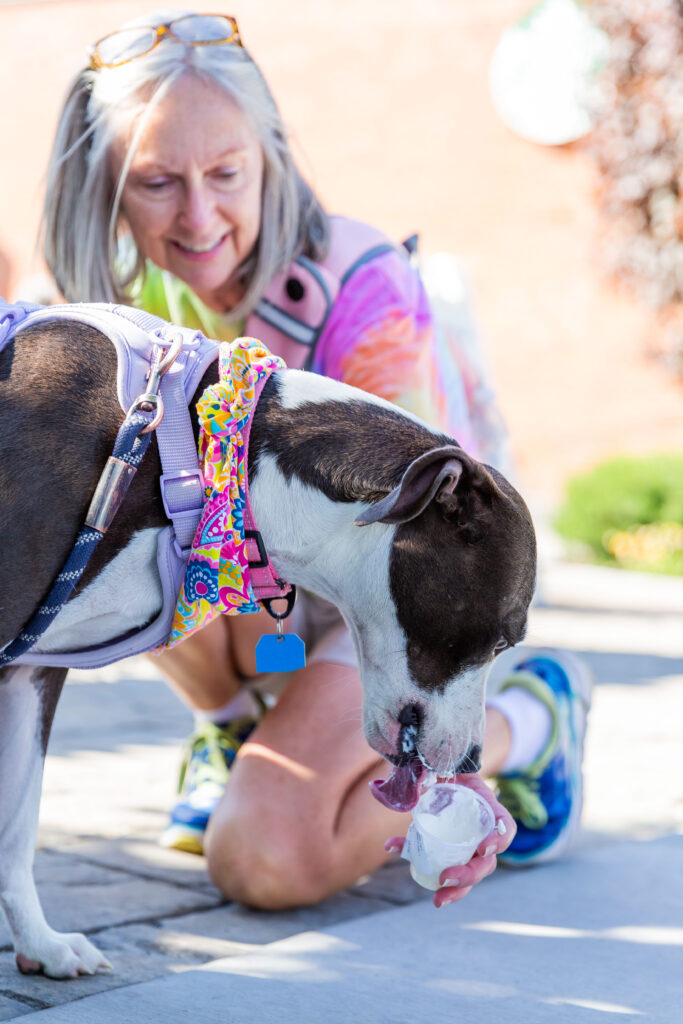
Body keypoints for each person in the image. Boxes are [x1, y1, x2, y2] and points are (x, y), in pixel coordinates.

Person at [40, 9, 591, 910]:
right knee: (99, 515)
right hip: (251, 585)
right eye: (154, 183)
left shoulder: (362, 294)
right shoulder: (110, 303)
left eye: (226, 173)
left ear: (270, 156)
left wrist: (439, 755)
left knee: (264, 860)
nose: (199, 215)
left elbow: (423, 553)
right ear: (105, 186)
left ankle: (526, 721)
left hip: (386, 600)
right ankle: (228, 725)